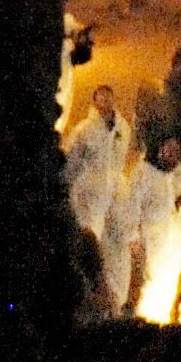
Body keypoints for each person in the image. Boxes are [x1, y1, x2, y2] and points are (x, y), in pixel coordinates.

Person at [62, 89, 130, 309]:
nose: (105, 104)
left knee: (117, 244)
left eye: (109, 99)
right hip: (90, 195)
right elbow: (70, 164)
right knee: (90, 243)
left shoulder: (123, 128)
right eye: (100, 100)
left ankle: (115, 300)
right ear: (94, 102)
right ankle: (84, 297)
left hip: (115, 194)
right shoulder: (83, 131)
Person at [122, 133, 181, 322]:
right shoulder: (144, 172)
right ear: (161, 148)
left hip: (174, 239)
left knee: (169, 282)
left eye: (176, 150)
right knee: (148, 285)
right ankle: (144, 324)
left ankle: (161, 325)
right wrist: (134, 237)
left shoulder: (180, 172)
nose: (172, 153)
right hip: (150, 240)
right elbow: (132, 206)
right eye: (169, 148)